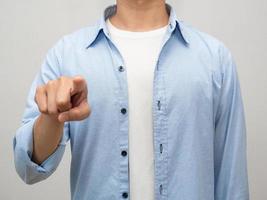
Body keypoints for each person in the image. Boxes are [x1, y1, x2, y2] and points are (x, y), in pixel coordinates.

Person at [13, 0, 249, 200]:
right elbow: (28, 168)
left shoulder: (215, 60)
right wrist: (52, 117)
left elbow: (232, 183)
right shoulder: (67, 55)